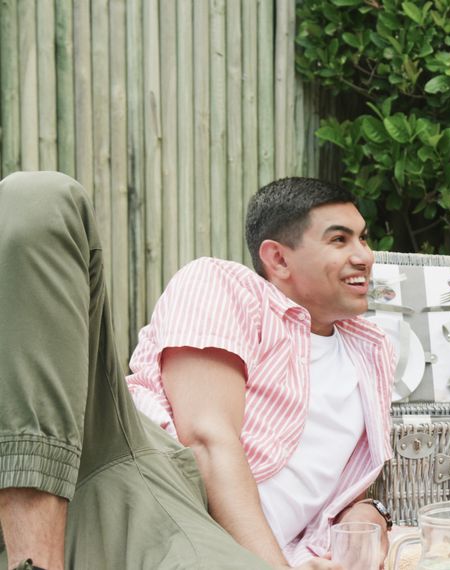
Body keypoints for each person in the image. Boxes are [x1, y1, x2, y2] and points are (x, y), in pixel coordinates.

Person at [0, 173, 393, 570]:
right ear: (277, 258)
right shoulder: (226, 287)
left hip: (214, 549)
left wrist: (367, 514)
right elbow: (206, 440)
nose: (364, 256)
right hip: (155, 480)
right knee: (40, 198)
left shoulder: (372, 352)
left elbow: (333, 482)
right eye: (339, 240)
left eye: (363, 238)